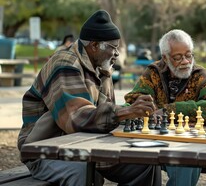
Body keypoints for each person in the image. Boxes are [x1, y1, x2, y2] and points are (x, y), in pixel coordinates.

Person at [17, 10, 161, 186]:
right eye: (113, 48)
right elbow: (77, 117)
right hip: (44, 150)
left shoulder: (100, 66)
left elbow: (104, 117)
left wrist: (131, 113)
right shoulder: (65, 64)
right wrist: (126, 111)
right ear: (94, 46)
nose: (116, 54)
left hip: (86, 144)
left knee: (145, 163)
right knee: (81, 171)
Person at [125, 29, 206, 186]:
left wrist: (169, 110)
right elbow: (133, 102)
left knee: (185, 161)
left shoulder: (199, 75)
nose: (185, 61)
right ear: (165, 58)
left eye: (188, 55)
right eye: (178, 57)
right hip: (154, 140)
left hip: (188, 143)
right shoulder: (153, 73)